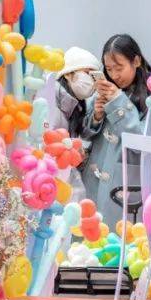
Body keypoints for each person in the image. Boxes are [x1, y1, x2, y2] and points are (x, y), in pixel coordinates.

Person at [81, 34, 151, 225]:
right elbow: (86, 135)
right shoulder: (105, 91)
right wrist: (96, 116)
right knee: (89, 241)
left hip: (124, 187)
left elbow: (141, 140)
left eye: (119, 68)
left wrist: (118, 102)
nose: (113, 75)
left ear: (136, 61)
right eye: (109, 69)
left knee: (118, 242)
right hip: (93, 183)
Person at [51, 47, 103, 199]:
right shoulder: (52, 101)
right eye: (88, 74)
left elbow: (82, 134)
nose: (92, 82)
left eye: (95, 77)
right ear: (68, 74)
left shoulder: (74, 107)